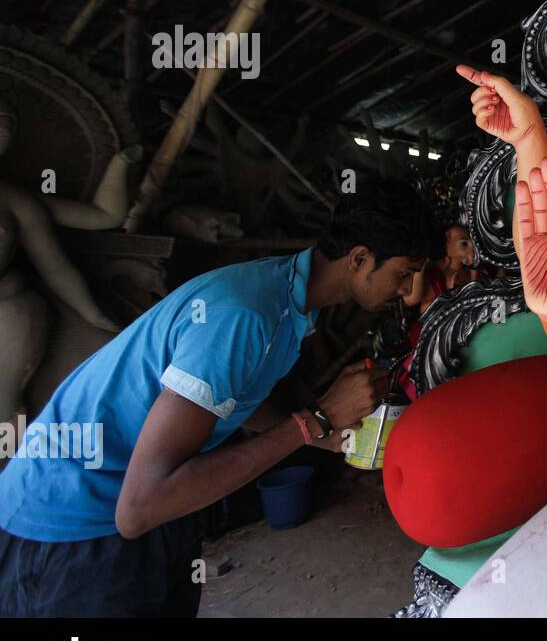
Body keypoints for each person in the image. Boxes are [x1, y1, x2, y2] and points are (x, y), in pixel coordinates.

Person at [0, 176, 436, 617]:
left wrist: (318, 433)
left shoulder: (285, 300)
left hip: (138, 505)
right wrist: (314, 420)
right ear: (359, 258)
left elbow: (233, 395)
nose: (406, 290)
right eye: (403, 273)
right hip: (72, 519)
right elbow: (139, 508)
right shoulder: (243, 315)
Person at [393, 224, 478, 401]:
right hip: (428, 347)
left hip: (457, 346)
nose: (469, 249)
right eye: (464, 243)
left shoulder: (466, 276)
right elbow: (411, 298)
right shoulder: (431, 273)